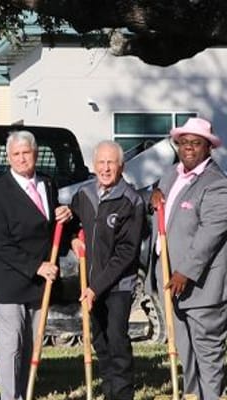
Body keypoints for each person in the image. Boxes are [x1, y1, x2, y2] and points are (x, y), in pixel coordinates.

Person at [0, 130, 71, 400]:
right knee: (11, 345)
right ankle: (11, 396)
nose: (22, 158)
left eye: (26, 153)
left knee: (33, 342)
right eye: (16, 154)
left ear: (35, 153)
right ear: (8, 158)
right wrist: (36, 266)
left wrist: (65, 215)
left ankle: (26, 391)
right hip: (10, 279)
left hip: (40, 282)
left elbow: (51, 227)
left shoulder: (47, 184)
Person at [153, 117, 227, 399]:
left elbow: (209, 234)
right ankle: (192, 395)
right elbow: (162, 201)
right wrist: (154, 194)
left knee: (208, 356)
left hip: (203, 287)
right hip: (172, 283)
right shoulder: (171, 174)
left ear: (208, 148)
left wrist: (185, 272)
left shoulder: (216, 184)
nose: (189, 148)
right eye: (184, 142)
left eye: (196, 143)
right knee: (185, 355)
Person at [68, 140, 145, 400]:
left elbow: (126, 253)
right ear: (94, 165)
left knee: (116, 340)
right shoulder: (85, 194)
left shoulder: (130, 201)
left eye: (111, 162)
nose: (105, 168)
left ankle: (122, 394)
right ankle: (109, 390)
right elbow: (70, 218)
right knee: (99, 340)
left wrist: (95, 288)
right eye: (101, 162)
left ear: (121, 166)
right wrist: (72, 237)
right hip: (90, 283)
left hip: (117, 286)